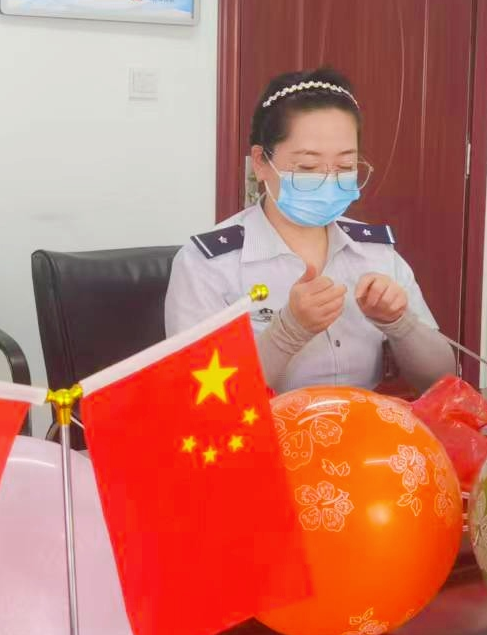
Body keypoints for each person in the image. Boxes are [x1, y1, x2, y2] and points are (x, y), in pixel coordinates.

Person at [166, 69, 455, 393]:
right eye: (307, 167)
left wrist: (399, 323)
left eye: (345, 166)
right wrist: (287, 332)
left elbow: (441, 379)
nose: (329, 180)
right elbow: (199, 399)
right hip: (263, 426)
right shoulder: (208, 264)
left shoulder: (375, 252)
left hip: (363, 423)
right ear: (260, 162)